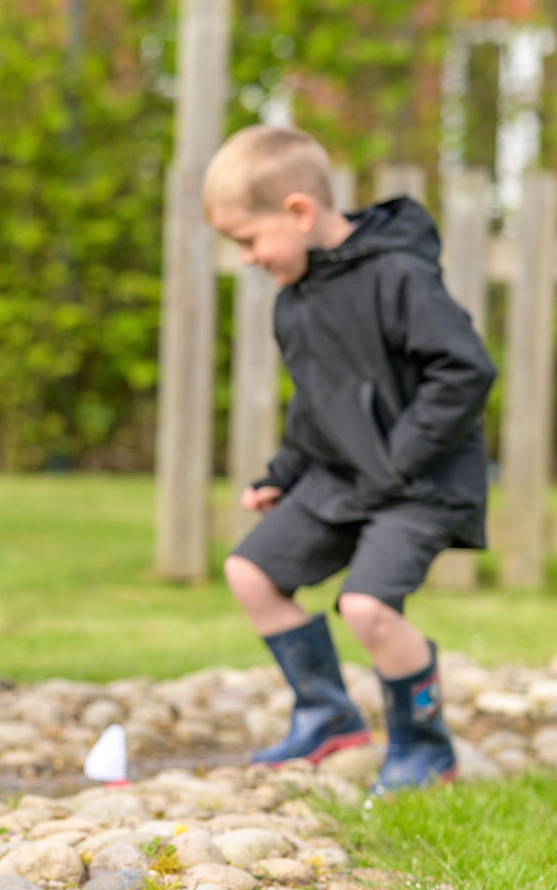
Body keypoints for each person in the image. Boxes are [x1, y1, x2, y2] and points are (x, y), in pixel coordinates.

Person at [206, 125, 495, 792]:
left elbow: (465, 369)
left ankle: (425, 748)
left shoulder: (398, 275)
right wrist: (283, 473)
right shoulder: (295, 302)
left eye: (248, 240)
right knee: (251, 572)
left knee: (367, 607)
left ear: (299, 212)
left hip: (421, 480)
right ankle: (328, 715)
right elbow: (315, 401)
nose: (247, 257)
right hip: (344, 474)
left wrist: (402, 457)